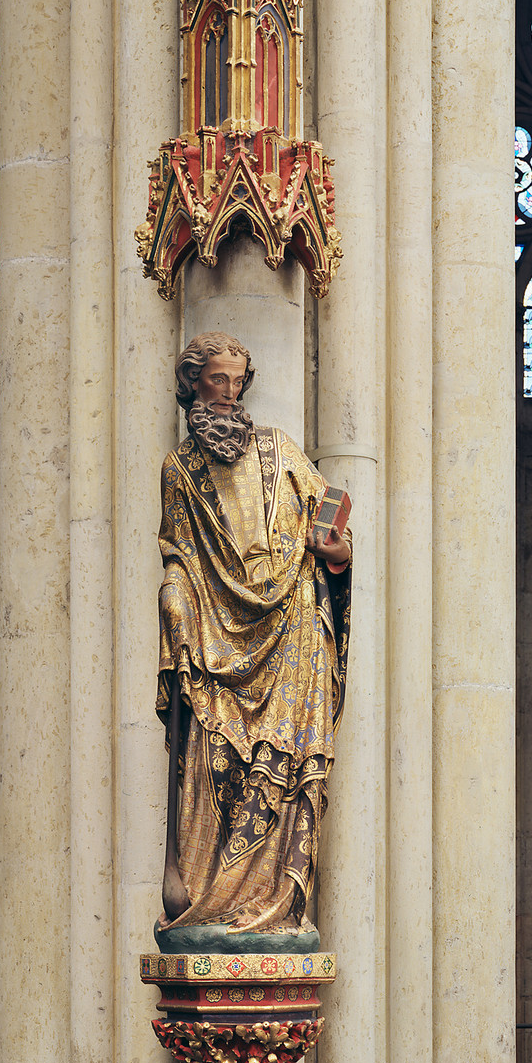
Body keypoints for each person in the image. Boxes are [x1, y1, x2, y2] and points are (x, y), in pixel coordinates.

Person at [156, 332, 351, 937]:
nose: (230, 390)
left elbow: (332, 519)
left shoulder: (280, 450)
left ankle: (275, 904)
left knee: (289, 765)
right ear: (194, 382)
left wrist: (338, 551)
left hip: (290, 623)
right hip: (216, 634)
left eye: (238, 380)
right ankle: (213, 899)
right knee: (214, 761)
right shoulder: (181, 468)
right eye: (218, 379)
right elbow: (177, 549)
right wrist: (174, 595)